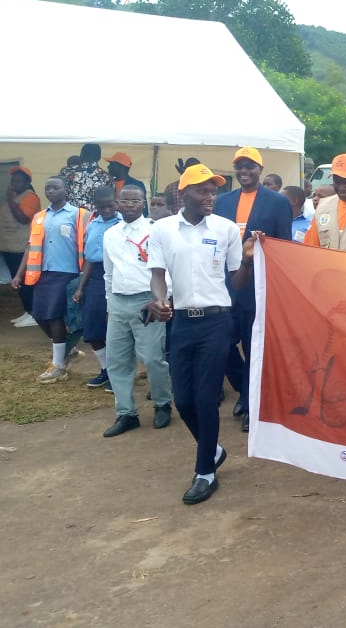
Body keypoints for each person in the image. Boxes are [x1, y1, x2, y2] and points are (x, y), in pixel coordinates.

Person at [147, 163, 254, 505]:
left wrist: (249, 262)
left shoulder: (225, 229)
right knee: (184, 400)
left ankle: (204, 471)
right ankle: (214, 450)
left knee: (206, 398)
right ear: (184, 194)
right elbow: (157, 275)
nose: (211, 197)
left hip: (216, 322)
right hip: (180, 321)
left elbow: (236, 281)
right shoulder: (163, 230)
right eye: (203, 191)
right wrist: (159, 300)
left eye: (214, 191)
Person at [214, 147, 293, 432]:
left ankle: (249, 404)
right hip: (222, 285)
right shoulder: (222, 201)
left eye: (250, 166)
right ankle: (243, 388)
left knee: (252, 345)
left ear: (260, 169)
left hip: (256, 287)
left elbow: (283, 247)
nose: (244, 171)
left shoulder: (276, 203)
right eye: (239, 167)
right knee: (221, 345)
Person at [101, 183, 173, 436]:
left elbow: (164, 270)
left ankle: (163, 404)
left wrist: (163, 299)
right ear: (118, 203)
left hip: (148, 301)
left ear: (143, 203)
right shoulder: (110, 234)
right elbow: (108, 273)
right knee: (117, 361)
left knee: (153, 358)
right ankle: (126, 413)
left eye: (135, 201)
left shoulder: (156, 230)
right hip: (119, 301)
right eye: (125, 201)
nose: (130, 205)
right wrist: (110, 303)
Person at [10, 177, 91, 384]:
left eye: (56, 187)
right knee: (39, 314)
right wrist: (19, 274)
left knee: (54, 315)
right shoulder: (39, 217)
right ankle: (67, 349)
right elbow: (30, 246)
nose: (51, 191)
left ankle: (58, 365)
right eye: (48, 188)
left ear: (66, 190)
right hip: (42, 273)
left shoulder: (79, 215)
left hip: (67, 273)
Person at [73, 186, 122, 390]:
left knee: (115, 330)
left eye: (110, 205)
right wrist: (80, 287)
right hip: (95, 278)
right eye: (102, 207)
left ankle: (118, 375)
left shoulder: (123, 224)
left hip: (119, 277)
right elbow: (90, 258)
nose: (107, 210)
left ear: (116, 202)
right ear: (96, 207)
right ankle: (106, 370)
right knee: (93, 328)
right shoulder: (93, 225)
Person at [2, 166, 40, 328]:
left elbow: (23, 218)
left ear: (27, 183)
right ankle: (27, 311)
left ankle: (33, 313)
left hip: (21, 248)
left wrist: (10, 200)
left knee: (25, 282)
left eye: (18, 181)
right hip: (9, 247)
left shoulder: (31, 198)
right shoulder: (15, 197)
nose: (14, 184)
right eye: (13, 181)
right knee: (17, 282)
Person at [60, 143, 112, 212]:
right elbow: (109, 201)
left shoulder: (66, 171)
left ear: (81, 155)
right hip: (94, 217)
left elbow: (58, 194)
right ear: (99, 157)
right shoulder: (106, 177)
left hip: (69, 215)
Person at [103, 152, 149, 217]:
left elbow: (144, 210)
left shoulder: (137, 185)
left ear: (121, 167)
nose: (108, 167)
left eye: (112, 164)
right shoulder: (107, 184)